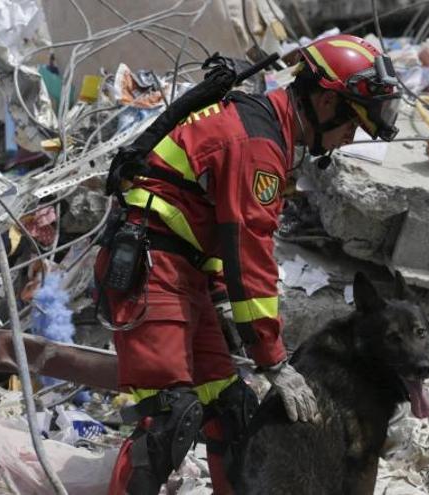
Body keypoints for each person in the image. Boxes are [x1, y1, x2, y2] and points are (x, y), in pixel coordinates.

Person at [96, 33, 401, 495]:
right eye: (351, 122)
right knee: (167, 418)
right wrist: (273, 360)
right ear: (323, 101)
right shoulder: (257, 143)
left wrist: (219, 296)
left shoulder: (267, 134)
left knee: (231, 409)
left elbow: (214, 228)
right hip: (152, 270)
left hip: (184, 271)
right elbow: (247, 250)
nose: (348, 138)